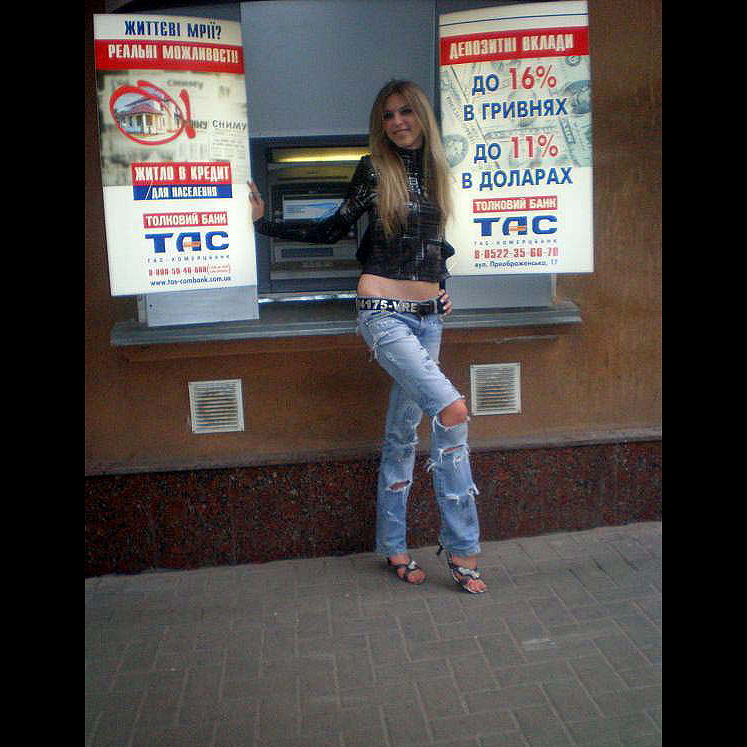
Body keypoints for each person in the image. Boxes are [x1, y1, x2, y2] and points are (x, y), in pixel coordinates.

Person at [248, 80, 486, 593]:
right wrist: (265, 225)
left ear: (422, 116)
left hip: (429, 317)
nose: (397, 122)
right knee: (452, 411)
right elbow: (333, 228)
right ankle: (462, 544)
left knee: (403, 433)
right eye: (388, 115)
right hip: (383, 313)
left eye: (405, 112)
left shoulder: (440, 171)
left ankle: (392, 544)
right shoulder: (375, 169)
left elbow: (434, 246)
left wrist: (443, 289)